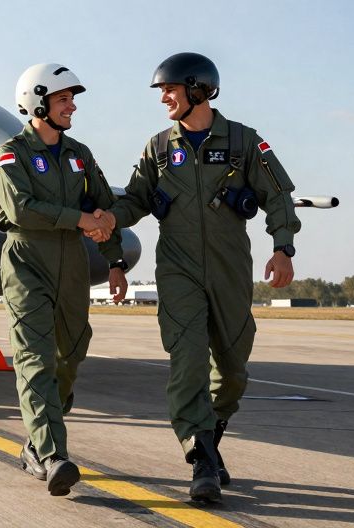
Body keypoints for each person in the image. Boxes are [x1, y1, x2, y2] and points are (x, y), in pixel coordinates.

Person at [100, 52, 300, 503]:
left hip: (231, 269)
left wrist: (283, 247)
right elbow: (134, 201)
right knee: (187, 360)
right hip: (178, 269)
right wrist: (106, 225)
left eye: (169, 89)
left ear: (198, 89)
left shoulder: (245, 142)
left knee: (231, 372)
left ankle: (210, 435)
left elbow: (279, 196)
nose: (164, 98)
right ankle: (201, 459)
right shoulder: (156, 148)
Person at [0, 63, 129, 497]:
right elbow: (21, 209)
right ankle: (53, 455)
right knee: (35, 358)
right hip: (27, 258)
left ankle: (36, 436)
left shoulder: (79, 155)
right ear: (38, 102)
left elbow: (103, 205)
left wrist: (115, 260)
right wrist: (81, 218)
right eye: (64, 99)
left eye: (73, 100)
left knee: (71, 351)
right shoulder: (10, 154)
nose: (71, 107)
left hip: (72, 260)